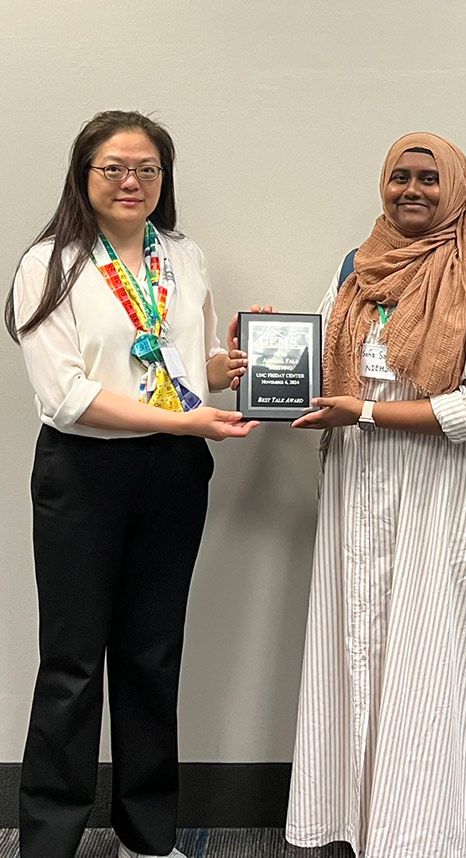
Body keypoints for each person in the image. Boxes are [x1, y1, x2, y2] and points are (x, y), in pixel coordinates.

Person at [5, 110, 263, 858]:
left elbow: (193, 361)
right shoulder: (49, 263)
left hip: (174, 474)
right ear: (83, 176)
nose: (131, 182)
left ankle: (147, 838)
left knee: (152, 657)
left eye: (147, 169)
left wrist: (233, 367)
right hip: (83, 474)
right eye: (113, 167)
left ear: (163, 179)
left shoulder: (182, 256)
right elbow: (66, 397)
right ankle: (48, 840)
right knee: (73, 663)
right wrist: (186, 422)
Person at [286, 132, 466, 858]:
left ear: (458, 188)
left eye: (430, 178)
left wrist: (363, 412)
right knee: (360, 648)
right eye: (399, 175)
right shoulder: (355, 273)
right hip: (360, 491)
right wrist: (258, 362)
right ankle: (365, 826)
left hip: (447, 497)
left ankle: (437, 834)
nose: (412, 189)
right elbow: (318, 370)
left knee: (436, 664)